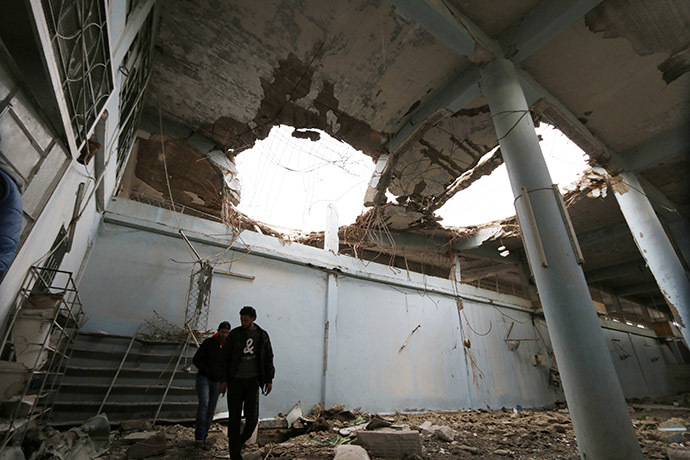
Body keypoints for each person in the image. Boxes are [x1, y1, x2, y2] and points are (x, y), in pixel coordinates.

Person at [220, 306, 275, 460]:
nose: (243, 322)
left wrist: (268, 380)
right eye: (241, 319)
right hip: (236, 381)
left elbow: (268, 358)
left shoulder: (261, 335)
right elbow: (224, 358)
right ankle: (235, 455)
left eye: (246, 320)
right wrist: (223, 380)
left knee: (252, 418)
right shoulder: (234, 335)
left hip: (252, 382)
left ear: (253, 319)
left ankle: (239, 443)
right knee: (234, 418)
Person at [193, 320, 231, 450]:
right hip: (204, 378)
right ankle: (198, 438)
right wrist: (207, 370)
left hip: (217, 381)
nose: (224, 335)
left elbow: (227, 366)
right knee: (204, 404)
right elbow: (196, 360)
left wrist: (224, 381)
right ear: (218, 331)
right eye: (222, 332)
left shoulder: (227, 347)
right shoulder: (209, 343)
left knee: (210, 409)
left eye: (226, 333)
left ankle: (203, 437)